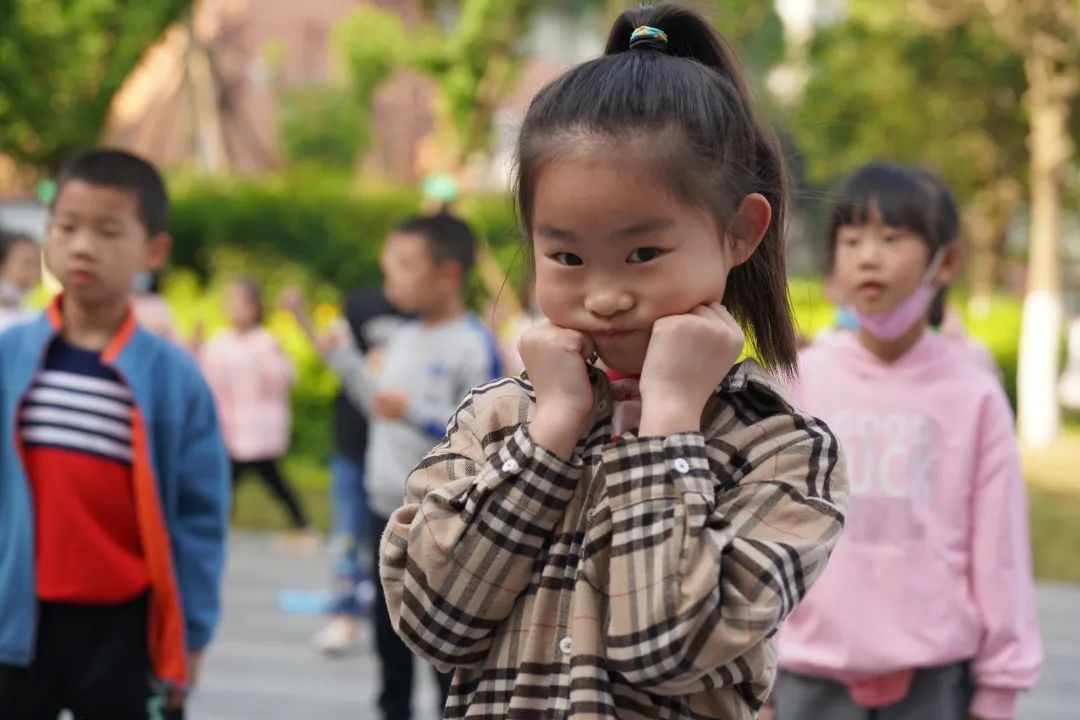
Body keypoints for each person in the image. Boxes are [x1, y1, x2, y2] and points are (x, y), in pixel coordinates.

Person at [378, 6, 850, 719]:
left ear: (740, 232)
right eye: (565, 256)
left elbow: (667, 645)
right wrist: (552, 433)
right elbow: (433, 621)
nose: (602, 296)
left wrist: (667, 423)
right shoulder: (499, 418)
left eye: (643, 254)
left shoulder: (781, 451)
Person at [772, 163, 1042, 720]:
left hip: (935, 681)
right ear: (831, 263)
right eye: (851, 240)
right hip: (807, 675)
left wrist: (999, 690)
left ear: (947, 261)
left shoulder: (974, 395)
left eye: (892, 238)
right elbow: (768, 529)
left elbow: (1000, 553)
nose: (869, 256)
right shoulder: (800, 382)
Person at [0, 148, 230, 719]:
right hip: (16, 614)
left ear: (153, 251)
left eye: (108, 231)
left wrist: (191, 638)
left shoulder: (175, 382)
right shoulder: (9, 358)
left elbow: (201, 521)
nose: (83, 246)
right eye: (67, 228)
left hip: (125, 626)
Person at [284, 212, 502, 720]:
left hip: (440, 525)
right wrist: (343, 361)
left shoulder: (471, 345)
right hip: (385, 513)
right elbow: (377, 402)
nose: (390, 280)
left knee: (443, 655)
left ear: (448, 273)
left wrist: (418, 417)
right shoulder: (404, 336)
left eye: (403, 266)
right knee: (390, 646)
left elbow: (483, 438)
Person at [288, 285, 409, 654]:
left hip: (402, 451)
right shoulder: (361, 302)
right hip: (354, 443)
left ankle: (405, 621)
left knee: (405, 543)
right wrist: (300, 317)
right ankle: (344, 618)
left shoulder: (427, 315)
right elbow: (332, 352)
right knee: (346, 538)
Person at [200, 279, 312, 536]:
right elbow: (208, 381)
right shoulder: (220, 342)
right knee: (229, 480)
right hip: (232, 427)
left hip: (260, 430)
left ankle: (300, 523)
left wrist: (269, 358)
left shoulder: (265, 342)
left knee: (266, 479)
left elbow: (283, 380)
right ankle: (217, 523)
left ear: (255, 307)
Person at [0, 229, 41, 332]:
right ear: (3, 265)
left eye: (36, 264)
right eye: (26, 263)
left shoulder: (35, 317)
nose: (32, 271)